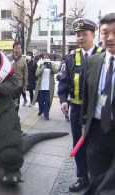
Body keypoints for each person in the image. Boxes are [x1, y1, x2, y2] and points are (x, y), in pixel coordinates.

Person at [58, 18, 103, 192]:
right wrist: (63, 100)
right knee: (78, 144)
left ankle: (98, 178)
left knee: (97, 145)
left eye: (84, 34)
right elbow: (64, 81)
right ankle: (82, 177)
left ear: (93, 34)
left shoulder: (104, 55)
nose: (80, 38)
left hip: (97, 111)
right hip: (76, 110)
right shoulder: (71, 58)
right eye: (78, 35)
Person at [82, 13, 115, 195]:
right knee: (97, 178)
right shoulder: (93, 61)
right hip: (96, 132)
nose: (110, 38)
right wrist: (83, 125)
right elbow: (87, 97)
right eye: (105, 33)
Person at [32, 53, 58, 120]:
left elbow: (56, 71)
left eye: (47, 57)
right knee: (41, 101)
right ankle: (41, 111)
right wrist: (42, 68)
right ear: (43, 58)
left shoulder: (52, 65)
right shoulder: (41, 65)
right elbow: (36, 74)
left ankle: (46, 114)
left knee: (48, 101)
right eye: (44, 57)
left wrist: (51, 65)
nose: (46, 58)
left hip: (49, 88)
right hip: (41, 87)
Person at [11, 41, 28, 111]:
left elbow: (25, 74)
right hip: (9, 84)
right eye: (16, 48)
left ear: (21, 49)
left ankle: (15, 118)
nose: (17, 50)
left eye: (19, 48)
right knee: (9, 103)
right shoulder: (9, 58)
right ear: (13, 49)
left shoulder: (23, 60)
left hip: (19, 85)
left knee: (17, 102)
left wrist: (25, 85)